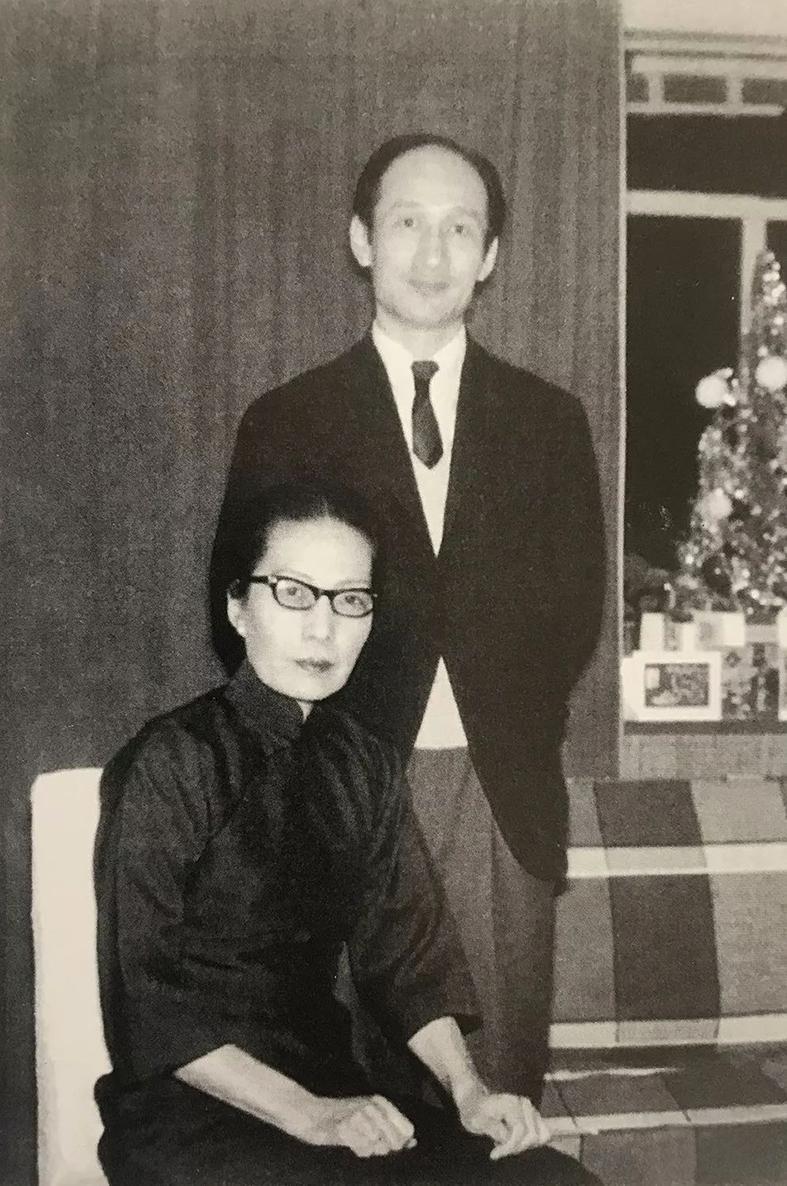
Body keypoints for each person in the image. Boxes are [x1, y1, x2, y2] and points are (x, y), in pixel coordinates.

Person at [210, 133, 606, 1102]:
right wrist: (318, 746)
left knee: (492, 1094)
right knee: (347, 1090)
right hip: (334, 785)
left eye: (459, 228)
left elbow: (575, 609)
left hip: (496, 792)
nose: (433, 253)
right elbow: (239, 607)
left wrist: (501, 722)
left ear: (490, 255)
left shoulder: (548, 422)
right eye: (407, 223)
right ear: (361, 239)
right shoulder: (287, 418)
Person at [94, 481, 600, 1186]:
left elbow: (409, 956)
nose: (323, 629)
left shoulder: (364, 763)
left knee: (555, 1181)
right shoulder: (171, 760)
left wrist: (468, 1092)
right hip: (191, 1111)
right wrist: (309, 1116)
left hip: (332, 1088)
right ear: (237, 606)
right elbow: (145, 1000)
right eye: (294, 594)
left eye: (350, 600)